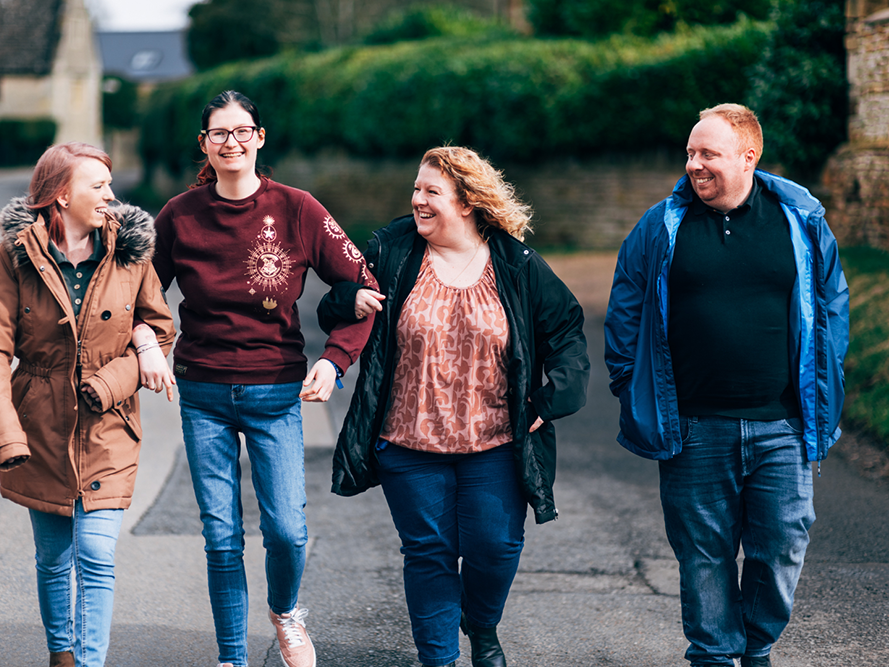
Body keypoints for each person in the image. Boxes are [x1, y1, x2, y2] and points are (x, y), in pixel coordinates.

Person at [318, 146, 590, 667]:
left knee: (496, 549)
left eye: (431, 192)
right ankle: (438, 659)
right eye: (416, 189)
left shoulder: (516, 263)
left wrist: (551, 399)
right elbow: (336, 307)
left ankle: (482, 626)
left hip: (495, 443)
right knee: (429, 556)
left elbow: (568, 334)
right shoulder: (391, 253)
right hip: (408, 442)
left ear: (466, 202)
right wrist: (348, 301)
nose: (417, 200)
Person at [604, 104, 850, 667]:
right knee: (703, 556)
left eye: (707, 154)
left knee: (783, 545)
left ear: (748, 156)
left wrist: (826, 379)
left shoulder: (800, 219)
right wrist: (629, 385)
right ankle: (714, 654)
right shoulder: (660, 225)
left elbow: (832, 308)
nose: (693, 164)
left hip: (783, 423)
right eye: (690, 153)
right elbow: (626, 308)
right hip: (692, 426)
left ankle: (756, 645)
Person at [149, 90, 377, 667]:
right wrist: (146, 343)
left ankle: (285, 613)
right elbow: (135, 295)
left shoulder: (299, 209)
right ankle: (231, 656)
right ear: (204, 143)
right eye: (219, 133)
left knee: (287, 531)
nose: (232, 142)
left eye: (242, 131)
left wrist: (335, 359)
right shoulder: (179, 216)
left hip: (277, 391)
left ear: (260, 137)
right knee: (222, 535)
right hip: (201, 393)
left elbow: (363, 289)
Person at [0, 142, 176, 667]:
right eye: (98, 186)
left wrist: (120, 374)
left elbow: (162, 326)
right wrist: (7, 436)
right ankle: (61, 653)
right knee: (54, 557)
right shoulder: (16, 255)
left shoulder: (130, 251)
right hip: (40, 423)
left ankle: (88, 663)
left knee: (97, 555)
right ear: (62, 196)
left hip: (109, 424)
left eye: (109, 184)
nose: (111, 195)